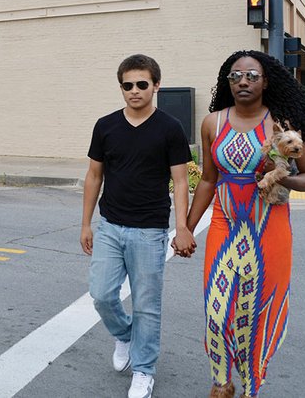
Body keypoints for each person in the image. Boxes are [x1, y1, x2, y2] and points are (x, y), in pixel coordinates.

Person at [173, 50, 305, 398]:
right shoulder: (212, 122)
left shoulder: (283, 123)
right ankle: (222, 383)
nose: (243, 81)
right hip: (225, 228)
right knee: (217, 311)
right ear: (228, 82)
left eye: (252, 76)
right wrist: (186, 228)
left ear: (266, 81)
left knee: (255, 314)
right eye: (236, 76)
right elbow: (208, 180)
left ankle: (252, 387)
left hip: (270, 229)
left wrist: (280, 179)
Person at [81, 54, 192, 398]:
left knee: (147, 305)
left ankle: (143, 370)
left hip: (149, 230)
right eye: (127, 85)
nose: (134, 91)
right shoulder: (105, 126)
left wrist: (183, 227)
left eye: (141, 84)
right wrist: (85, 223)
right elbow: (94, 175)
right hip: (111, 226)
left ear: (156, 85)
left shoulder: (170, 128)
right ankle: (126, 335)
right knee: (100, 294)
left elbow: (181, 181)